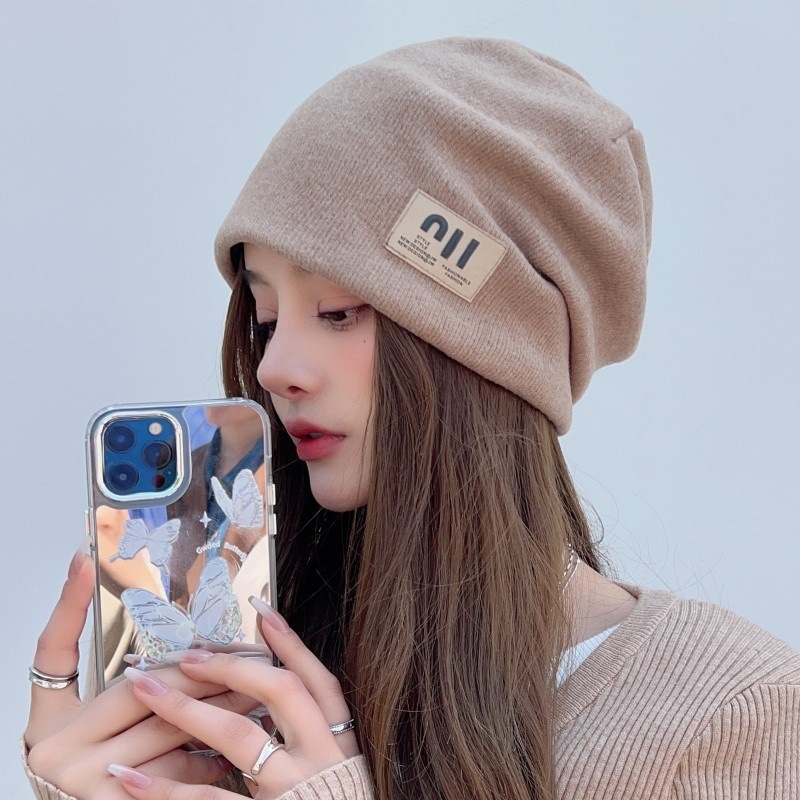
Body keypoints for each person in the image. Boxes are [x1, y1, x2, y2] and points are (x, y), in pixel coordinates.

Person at [23, 37, 800, 800]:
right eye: (265, 317)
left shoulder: (728, 707)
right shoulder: (247, 685)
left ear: (493, 351)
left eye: (339, 310)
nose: (273, 368)